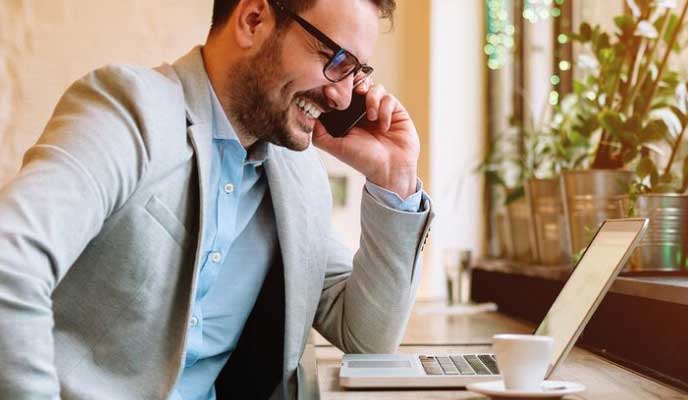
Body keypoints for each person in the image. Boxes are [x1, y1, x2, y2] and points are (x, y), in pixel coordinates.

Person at [0, 0, 431, 398]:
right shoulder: (129, 109)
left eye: (355, 71)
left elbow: (366, 338)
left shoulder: (298, 175)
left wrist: (394, 177)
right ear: (253, 20)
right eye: (333, 59)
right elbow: (9, 263)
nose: (341, 95)